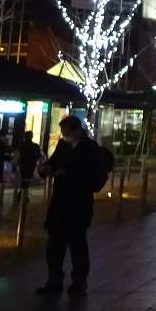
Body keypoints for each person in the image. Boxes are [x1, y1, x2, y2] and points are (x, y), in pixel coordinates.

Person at [35, 116, 103, 297]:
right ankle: (54, 280)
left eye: (67, 132)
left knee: (77, 245)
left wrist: (66, 173)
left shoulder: (89, 148)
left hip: (79, 204)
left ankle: (79, 281)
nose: (64, 136)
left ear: (77, 130)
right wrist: (45, 168)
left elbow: (89, 175)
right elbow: (54, 161)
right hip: (60, 202)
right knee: (54, 245)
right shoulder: (63, 145)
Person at [12, 130, 42, 202]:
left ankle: (22, 194)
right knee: (27, 179)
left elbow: (17, 154)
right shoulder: (35, 145)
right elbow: (39, 155)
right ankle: (23, 194)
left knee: (24, 179)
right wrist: (34, 159)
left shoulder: (22, 145)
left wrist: (16, 163)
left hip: (23, 164)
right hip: (31, 165)